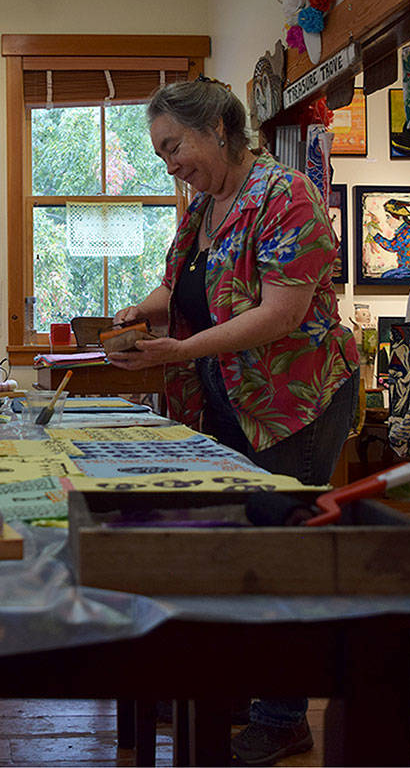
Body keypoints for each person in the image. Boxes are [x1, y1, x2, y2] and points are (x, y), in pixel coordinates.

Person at [107, 79, 360, 767]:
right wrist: (141, 313)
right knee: (230, 542)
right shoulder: (203, 209)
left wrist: (182, 349)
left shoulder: (287, 196)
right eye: (160, 155)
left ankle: (283, 717)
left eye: (174, 147)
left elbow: (280, 312)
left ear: (220, 127)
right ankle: (240, 690)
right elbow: (180, 288)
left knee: (280, 552)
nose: (170, 165)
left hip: (293, 401)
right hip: (225, 399)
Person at [372, 198, 410, 279]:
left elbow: (392, 246)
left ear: (400, 217)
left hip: (409, 270)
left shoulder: (407, 232)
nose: (387, 221)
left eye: (388, 217)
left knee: (386, 276)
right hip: (406, 269)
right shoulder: (406, 230)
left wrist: (376, 236)